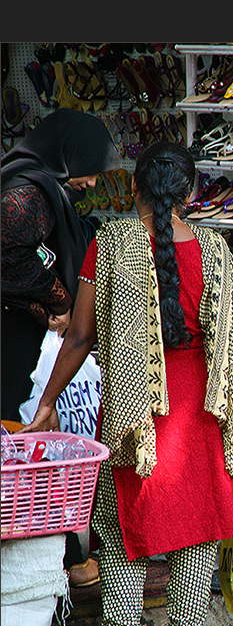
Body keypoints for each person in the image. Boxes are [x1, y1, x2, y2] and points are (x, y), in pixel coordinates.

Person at [21, 141, 233, 626]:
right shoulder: (219, 250)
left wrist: (49, 400)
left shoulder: (109, 246)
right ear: (191, 192)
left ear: (135, 189)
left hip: (137, 414)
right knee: (195, 534)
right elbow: (231, 346)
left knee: (122, 528)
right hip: (205, 412)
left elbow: (79, 336)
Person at [2, 107, 121, 587]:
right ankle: (52, 558)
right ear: (68, 155)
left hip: (26, 330)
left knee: (34, 435)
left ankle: (60, 555)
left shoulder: (38, 187)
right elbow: (8, 252)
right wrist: (59, 299)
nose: (92, 183)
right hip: (12, 342)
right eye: (90, 168)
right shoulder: (26, 192)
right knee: (23, 430)